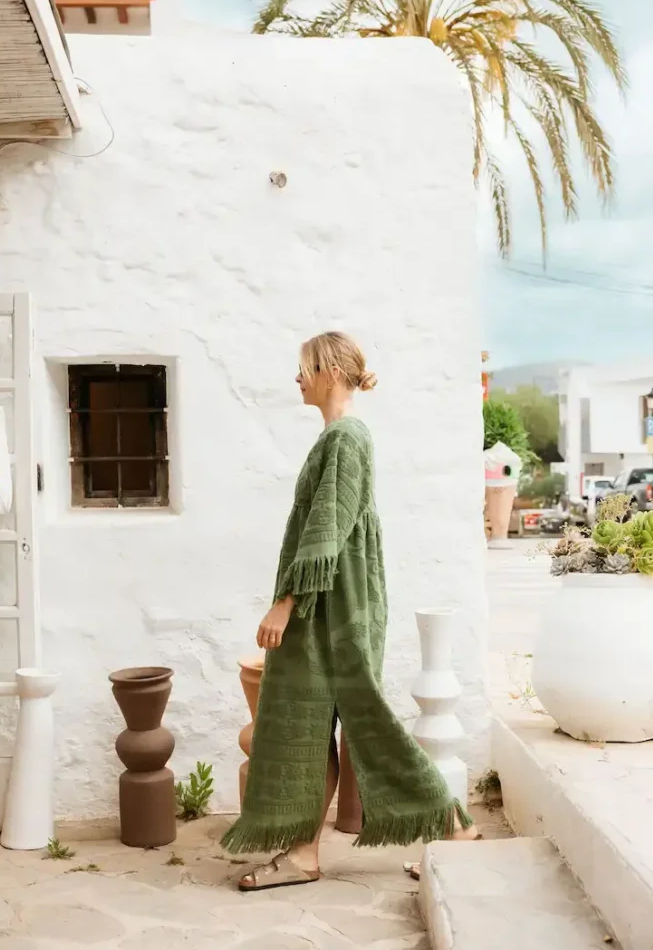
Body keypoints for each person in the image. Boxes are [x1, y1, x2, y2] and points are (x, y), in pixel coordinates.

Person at [221, 332, 479, 891]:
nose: (297, 377)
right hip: (335, 603)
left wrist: (285, 603)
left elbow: (327, 529)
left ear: (332, 369)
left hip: (336, 609)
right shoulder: (339, 438)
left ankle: (456, 834)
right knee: (310, 727)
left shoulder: (346, 438)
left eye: (305, 368)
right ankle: (303, 855)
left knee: (368, 726)